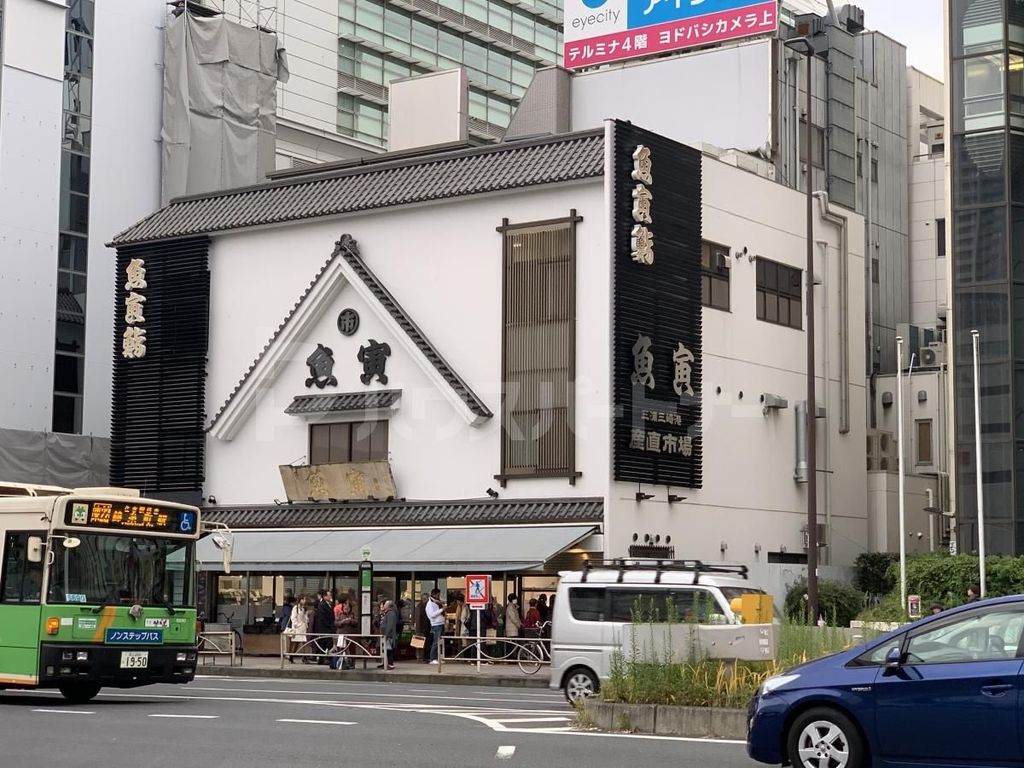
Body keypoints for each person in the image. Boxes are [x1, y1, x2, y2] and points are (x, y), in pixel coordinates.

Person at [314, 590, 336, 666]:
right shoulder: (322, 605)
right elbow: (322, 618)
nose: (330, 597)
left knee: (325, 643)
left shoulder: (328, 604)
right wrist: (330, 625)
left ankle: (323, 658)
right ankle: (325, 658)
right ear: (325, 596)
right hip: (324, 628)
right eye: (329, 595)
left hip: (328, 627)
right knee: (326, 643)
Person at [335, 599, 358, 670]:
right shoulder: (340, 614)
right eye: (345, 608)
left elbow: (356, 622)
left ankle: (352, 663)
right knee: (341, 649)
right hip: (342, 635)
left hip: (351, 635)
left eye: (347, 608)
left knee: (352, 650)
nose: (346, 610)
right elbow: (336, 623)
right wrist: (342, 622)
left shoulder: (353, 614)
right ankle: (342, 663)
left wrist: (351, 621)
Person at [286, 596, 309, 663]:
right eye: (303, 599)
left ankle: (304, 658)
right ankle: (291, 657)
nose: (304, 601)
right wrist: (298, 625)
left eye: (305, 599)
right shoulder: (295, 608)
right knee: (295, 644)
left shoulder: (303, 608)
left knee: (303, 643)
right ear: (300, 600)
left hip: (303, 629)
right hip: (297, 629)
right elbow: (293, 618)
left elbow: (305, 618)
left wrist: (306, 618)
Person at [426, 588, 446, 664]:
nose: (439, 596)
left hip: (440, 623)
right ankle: (433, 658)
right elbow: (432, 615)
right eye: (438, 595)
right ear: (434, 594)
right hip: (436, 624)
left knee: (440, 642)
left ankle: (438, 657)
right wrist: (442, 610)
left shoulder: (436, 603)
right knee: (436, 642)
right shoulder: (430, 604)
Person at [378, 600, 399, 670]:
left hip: (389, 635)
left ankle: (390, 664)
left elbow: (390, 625)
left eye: (385, 604)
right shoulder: (388, 613)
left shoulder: (391, 613)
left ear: (388, 606)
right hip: (387, 634)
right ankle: (385, 663)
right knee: (386, 649)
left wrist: (386, 634)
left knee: (389, 650)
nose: (384, 605)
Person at [414, 593, 431, 663]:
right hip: (421, 628)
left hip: (426, 628)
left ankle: (424, 657)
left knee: (425, 643)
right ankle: (420, 657)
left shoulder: (425, 605)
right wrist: (418, 629)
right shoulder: (420, 606)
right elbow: (418, 618)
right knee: (420, 643)